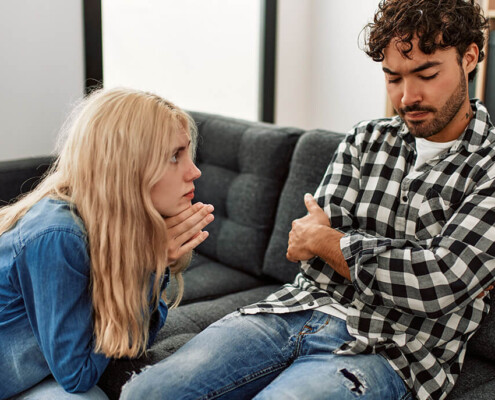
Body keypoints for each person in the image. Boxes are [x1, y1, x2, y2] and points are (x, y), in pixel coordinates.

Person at [119, 1, 495, 399]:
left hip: (391, 350)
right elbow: (307, 254)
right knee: (145, 393)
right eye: (392, 78)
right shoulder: (365, 139)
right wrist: (400, 259)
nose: (407, 97)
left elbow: (436, 285)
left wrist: (329, 242)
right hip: (294, 308)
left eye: (426, 73)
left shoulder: (488, 166)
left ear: (468, 57)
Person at [0, 88, 214, 399]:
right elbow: (78, 374)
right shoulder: (59, 235)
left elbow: (135, 341)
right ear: (126, 167)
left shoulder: (113, 226)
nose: (194, 171)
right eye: (174, 156)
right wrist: (149, 264)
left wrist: (151, 264)